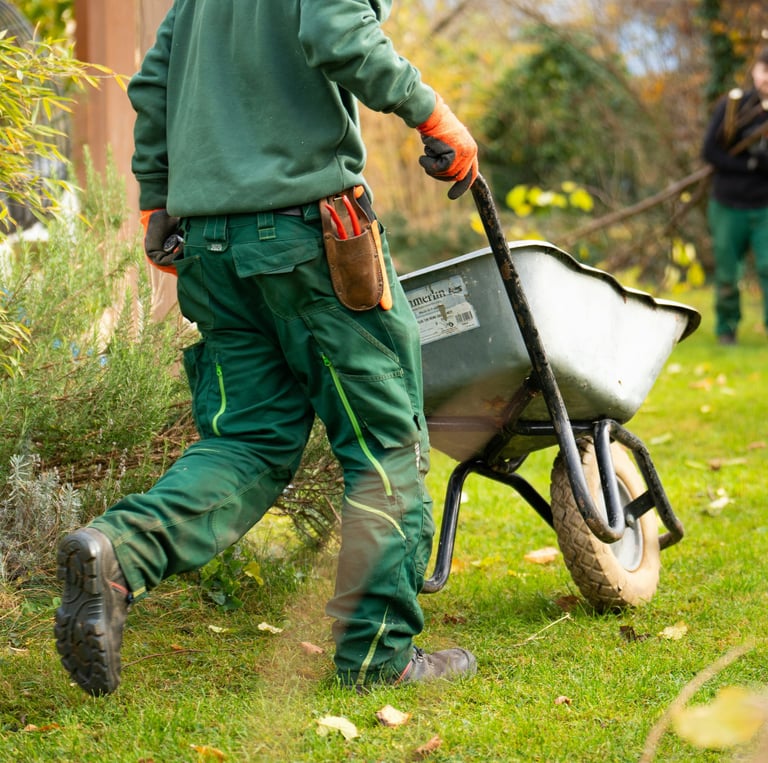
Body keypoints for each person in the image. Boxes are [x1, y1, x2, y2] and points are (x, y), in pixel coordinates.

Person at [54, 0, 479, 696]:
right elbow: (337, 31)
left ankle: (118, 554)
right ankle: (379, 655)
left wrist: (157, 202)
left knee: (245, 441)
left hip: (210, 246)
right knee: (385, 447)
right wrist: (433, 114)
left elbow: (155, 83)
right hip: (310, 241)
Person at [702, 46, 768, 345]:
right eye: (764, 71)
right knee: (728, 274)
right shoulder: (734, 106)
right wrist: (751, 165)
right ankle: (726, 330)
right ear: (755, 71)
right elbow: (710, 152)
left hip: (764, 205)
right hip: (727, 204)